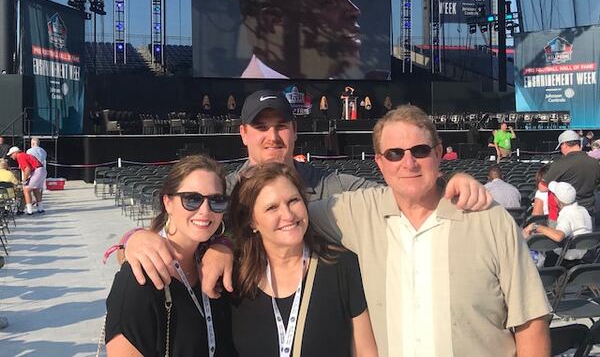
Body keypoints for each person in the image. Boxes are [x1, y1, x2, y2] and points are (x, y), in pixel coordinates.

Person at [123, 90, 492, 296]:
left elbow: (402, 190)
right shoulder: (225, 192)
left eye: (281, 126)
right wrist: (134, 239)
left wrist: (448, 183)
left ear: (295, 131)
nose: (273, 137)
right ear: (244, 134)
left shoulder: (330, 184)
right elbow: (180, 232)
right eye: (261, 127)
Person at [307, 105, 550, 356]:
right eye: (394, 154)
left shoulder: (489, 219)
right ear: (379, 161)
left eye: (420, 151)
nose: (408, 163)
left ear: (438, 153)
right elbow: (283, 214)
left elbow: (531, 321)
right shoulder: (358, 213)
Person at [229, 163, 377, 357]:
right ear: (252, 221)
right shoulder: (234, 279)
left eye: (293, 201)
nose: (288, 215)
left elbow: (366, 351)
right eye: (272, 208)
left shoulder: (342, 266)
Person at [104, 155, 234, 357]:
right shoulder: (139, 277)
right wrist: (131, 238)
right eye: (192, 199)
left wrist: (225, 245)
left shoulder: (217, 265)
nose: (205, 211)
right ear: (168, 202)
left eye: (216, 200)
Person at [239, 0, 367, 79]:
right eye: (330, 1)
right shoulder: (241, 99)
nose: (354, 11)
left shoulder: (349, 96)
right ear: (271, 21)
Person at [523, 181, 593, 268]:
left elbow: (559, 236)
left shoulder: (566, 215)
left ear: (557, 199)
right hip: (585, 257)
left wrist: (536, 226)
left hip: (565, 260)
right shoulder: (583, 210)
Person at [544, 129, 600, 227]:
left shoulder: (559, 163)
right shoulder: (594, 163)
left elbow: (543, 187)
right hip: (588, 213)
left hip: (565, 215)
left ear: (564, 145)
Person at [6, 146, 46, 215]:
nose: (11, 156)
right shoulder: (24, 155)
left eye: (11, 154)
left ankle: (29, 211)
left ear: (15, 153)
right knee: (35, 189)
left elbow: (27, 169)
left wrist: (24, 180)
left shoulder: (20, 156)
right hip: (42, 170)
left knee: (26, 190)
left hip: (37, 171)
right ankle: (40, 208)